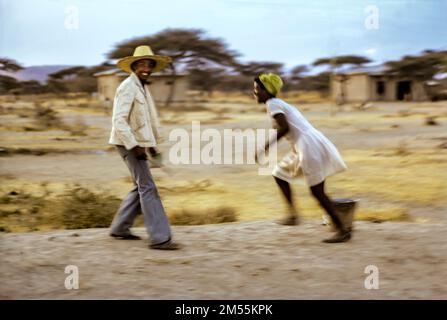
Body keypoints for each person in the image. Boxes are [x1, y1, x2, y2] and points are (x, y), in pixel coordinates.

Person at [253, 73, 352, 243]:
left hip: (308, 146)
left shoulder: (272, 103)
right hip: (303, 145)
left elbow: (284, 128)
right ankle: (293, 216)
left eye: (256, 89)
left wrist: (265, 146)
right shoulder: (278, 103)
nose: (254, 93)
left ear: (266, 90)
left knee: (317, 193)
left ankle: (342, 230)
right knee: (279, 173)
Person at [108, 45, 180, 250]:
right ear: (133, 66)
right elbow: (119, 121)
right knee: (148, 186)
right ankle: (160, 238)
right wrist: (135, 146)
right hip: (127, 143)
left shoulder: (142, 86)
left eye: (149, 64)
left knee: (140, 184)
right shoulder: (127, 87)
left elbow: (145, 121)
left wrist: (151, 146)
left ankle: (120, 227)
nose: (145, 67)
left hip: (138, 144)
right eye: (141, 64)